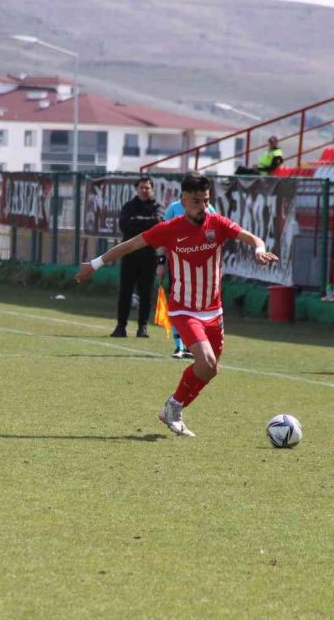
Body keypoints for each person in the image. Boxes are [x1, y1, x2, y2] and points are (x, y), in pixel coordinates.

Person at [75, 172, 279, 437]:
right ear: (183, 200)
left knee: (210, 369)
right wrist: (94, 264)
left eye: (205, 200)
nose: (202, 207)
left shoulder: (217, 223)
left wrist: (258, 250)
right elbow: (130, 245)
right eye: (196, 201)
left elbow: (252, 238)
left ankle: (172, 407)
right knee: (205, 361)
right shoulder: (169, 229)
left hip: (213, 310)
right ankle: (174, 408)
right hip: (184, 309)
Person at [162, 195, 216, 358]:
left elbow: (213, 236)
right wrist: (161, 262)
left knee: (198, 307)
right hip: (178, 265)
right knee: (178, 304)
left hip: (200, 268)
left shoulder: (210, 210)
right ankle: (179, 346)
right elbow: (163, 235)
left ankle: (193, 345)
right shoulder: (173, 208)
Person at [112, 176, 163, 338]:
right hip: (129, 255)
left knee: (146, 293)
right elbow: (124, 225)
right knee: (125, 292)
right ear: (137, 189)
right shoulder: (129, 206)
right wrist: (146, 225)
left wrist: (137, 222)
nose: (144, 190)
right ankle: (121, 326)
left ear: (152, 189)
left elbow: (158, 224)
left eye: (147, 187)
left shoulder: (157, 207)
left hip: (149, 256)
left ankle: (143, 327)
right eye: (141, 187)